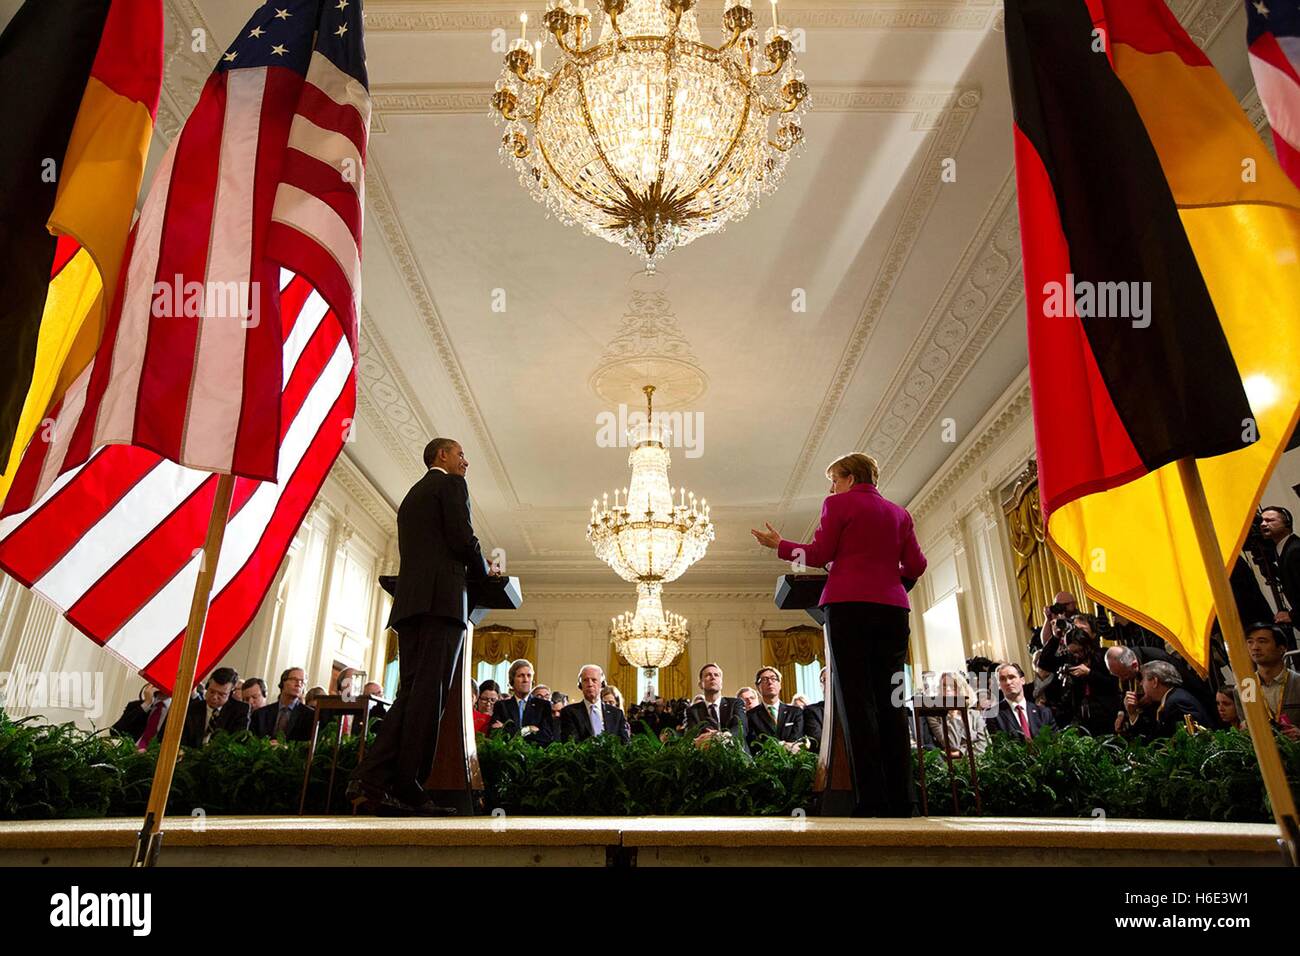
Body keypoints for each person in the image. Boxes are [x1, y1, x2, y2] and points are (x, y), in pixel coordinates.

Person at [753, 451, 927, 816]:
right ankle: (903, 801)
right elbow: (916, 565)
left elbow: (818, 554)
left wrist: (779, 545)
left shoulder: (838, 505)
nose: (831, 487)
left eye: (834, 479)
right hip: (894, 613)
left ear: (849, 478)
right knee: (892, 703)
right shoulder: (900, 514)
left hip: (849, 609)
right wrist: (890, 589)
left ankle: (873, 803)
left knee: (857, 702)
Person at [348, 438, 491, 817]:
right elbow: (463, 539)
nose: (466, 461)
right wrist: (484, 571)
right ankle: (393, 783)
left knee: (413, 695)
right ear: (441, 455)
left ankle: (381, 780)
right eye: (461, 453)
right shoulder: (451, 484)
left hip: (411, 608)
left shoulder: (413, 495)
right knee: (428, 699)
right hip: (441, 605)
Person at [1122, 661, 1212, 740]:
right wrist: (1133, 714)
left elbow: (1162, 741)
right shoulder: (1173, 697)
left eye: (1143, 679)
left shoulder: (1177, 702)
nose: (1141, 684)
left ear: (1154, 681)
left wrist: (1133, 714)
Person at [165, 667, 249, 748]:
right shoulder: (192, 708)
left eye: (221, 694)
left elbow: (237, 743)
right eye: (211, 691)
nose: (214, 697)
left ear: (231, 692)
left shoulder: (240, 711)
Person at [1245, 623, 1300, 738]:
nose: (1255, 647)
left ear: (1281, 648)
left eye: (1262, 641)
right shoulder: (1246, 687)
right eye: (1250, 642)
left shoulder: (1297, 683)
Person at [925, 672, 990, 758]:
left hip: (980, 762)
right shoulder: (934, 716)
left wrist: (960, 753)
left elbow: (986, 745)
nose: (947, 690)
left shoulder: (975, 715)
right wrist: (953, 714)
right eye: (944, 686)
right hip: (955, 766)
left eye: (952, 686)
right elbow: (952, 744)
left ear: (961, 690)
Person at [489, 658, 555, 742]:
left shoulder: (543, 705)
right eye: (521, 676)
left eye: (529, 675)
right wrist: (527, 730)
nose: (526, 680)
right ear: (512, 680)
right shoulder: (501, 706)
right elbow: (495, 734)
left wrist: (507, 730)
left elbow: (546, 737)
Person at [560, 665, 630, 742]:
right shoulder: (569, 712)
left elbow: (625, 743)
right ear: (580, 685)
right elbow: (571, 742)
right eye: (585, 680)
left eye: (594, 680)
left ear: (602, 684)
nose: (590, 684)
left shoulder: (617, 714)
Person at [744, 666, 805, 751]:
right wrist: (783, 746)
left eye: (774, 679)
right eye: (765, 679)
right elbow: (755, 743)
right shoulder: (750, 715)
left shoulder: (795, 712)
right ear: (758, 687)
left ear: (780, 685)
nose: (770, 682)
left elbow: (797, 738)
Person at [991, 662, 1057, 741]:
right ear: (999, 685)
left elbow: (1056, 743)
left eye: (1012, 677)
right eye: (1002, 679)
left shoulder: (1044, 713)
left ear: (1022, 680)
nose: (1008, 682)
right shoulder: (994, 716)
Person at [1261, 506, 1300, 635]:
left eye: (1270, 520)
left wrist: (1293, 616)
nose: (1263, 524)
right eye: (1262, 521)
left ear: (1287, 524)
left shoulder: (1295, 550)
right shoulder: (1282, 549)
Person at [683, 663, 746, 743]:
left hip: (735, 750)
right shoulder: (692, 711)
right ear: (700, 684)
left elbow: (741, 728)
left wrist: (721, 737)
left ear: (721, 683)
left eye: (716, 675)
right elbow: (691, 736)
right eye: (708, 675)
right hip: (706, 752)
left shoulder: (735, 703)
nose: (713, 677)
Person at [250, 667, 315, 741]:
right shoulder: (261, 714)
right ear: (283, 682)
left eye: (302, 682)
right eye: (294, 679)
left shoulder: (310, 715)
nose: (299, 684)